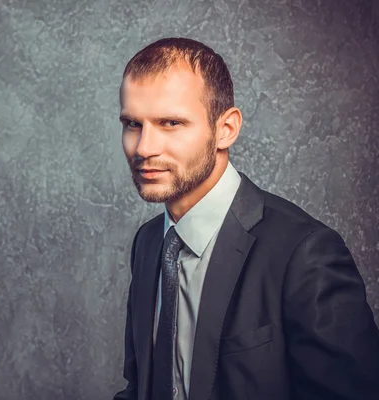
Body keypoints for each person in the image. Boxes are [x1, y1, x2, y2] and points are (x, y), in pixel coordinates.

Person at [112, 37, 379, 400]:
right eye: (132, 124)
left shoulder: (305, 254)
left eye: (171, 122)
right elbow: (139, 388)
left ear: (226, 129)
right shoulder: (149, 243)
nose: (144, 148)